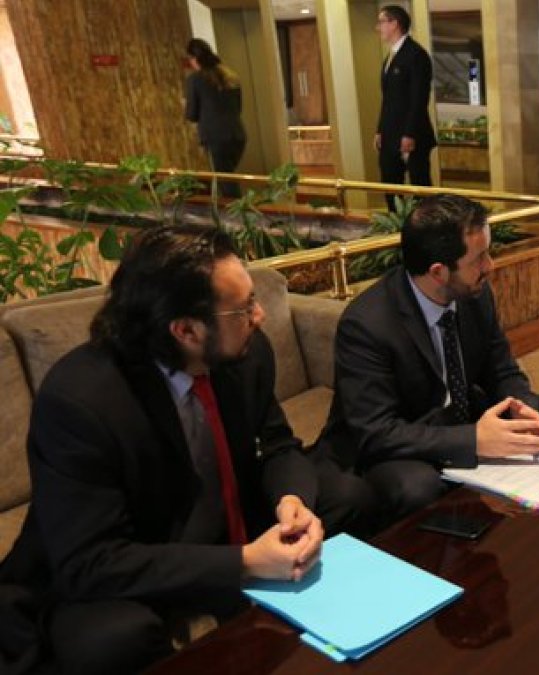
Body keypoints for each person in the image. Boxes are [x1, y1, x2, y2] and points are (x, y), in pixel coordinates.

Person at [0, 226, 330, 674]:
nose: (260, 315)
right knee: (112, 638)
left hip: (220, 522)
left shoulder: (246, 355)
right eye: (243, 308)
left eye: (254, 299)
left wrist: (292, 501)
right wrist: (246, 562)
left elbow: (278, 444)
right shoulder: (80, 402)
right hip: (131, 554)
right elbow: (91, 561)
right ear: (186, 330)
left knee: (346, 494)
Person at [316, 194, 539, 519]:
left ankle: (514, 526)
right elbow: (378, 432)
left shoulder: (474, 295)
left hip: (459, 419)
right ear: (438, 272)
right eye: (479, 259)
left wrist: (524, 409)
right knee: (417, 486)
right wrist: (473, 440)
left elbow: (502, 370)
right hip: (400, 442)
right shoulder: (368, 324)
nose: (490, 266)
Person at [375, 5, 438, 211]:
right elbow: (389, 99)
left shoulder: (416, 55)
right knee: (390, 184)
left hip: (413, 136)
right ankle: (396, 225)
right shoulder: (390, 56)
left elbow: (419, 99)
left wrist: (409, 134)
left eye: (381, 22)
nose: (378, 27)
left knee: (420, 188)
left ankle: (426, 226)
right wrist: (380, 129)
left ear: (394, 24)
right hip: (390, 134)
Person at [184, 38, 247, 199]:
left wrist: (185, 103)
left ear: (194, 58)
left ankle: (239, 213)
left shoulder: (195, 80)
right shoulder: (230, 76)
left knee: (226, 182)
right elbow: (238, 108)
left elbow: (192, 114)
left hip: (215, 138)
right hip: (237, 135)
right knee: (227, 177)